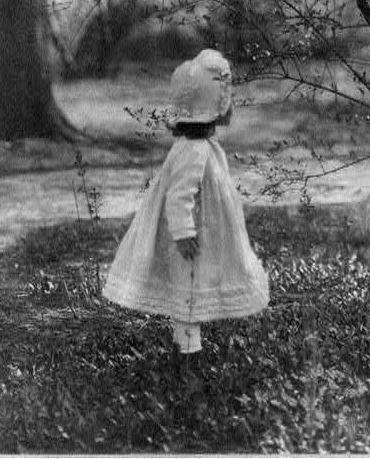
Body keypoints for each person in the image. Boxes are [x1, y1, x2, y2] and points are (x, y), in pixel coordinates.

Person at [102, 49, 269, 367]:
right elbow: (179, 195)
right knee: (189, 290)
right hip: (193, 236)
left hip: (203, 228)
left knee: (192, 288)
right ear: (212, 109)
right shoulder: (194, 151)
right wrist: (182, 232)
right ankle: (188, 360)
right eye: (226, 100)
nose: (230, 107)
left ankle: (185, 349)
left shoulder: (200, 147)